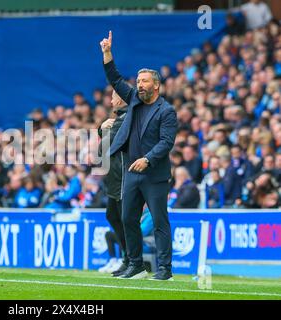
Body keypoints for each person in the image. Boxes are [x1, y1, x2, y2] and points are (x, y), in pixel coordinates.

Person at [100, 31, 178, 280]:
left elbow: (167, 142)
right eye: (138, 80)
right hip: (132, 172)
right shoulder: (133, 98)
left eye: (144, 81)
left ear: (156, 85)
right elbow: (114, 78)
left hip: (154, 173)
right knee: (127, 218)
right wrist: (107, 54)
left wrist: (148, 159)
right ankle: (135, 264)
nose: (139, 84)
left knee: (159, 221)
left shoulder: (167, 111)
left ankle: (165, 269)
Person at [98, 90, 128, 276]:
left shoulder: (125, 119)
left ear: (121, 99)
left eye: (112, 96)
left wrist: (103, 130)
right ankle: (129, 258)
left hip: (123, 178)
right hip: (114, 179)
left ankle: (132, 259)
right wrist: (102, 129)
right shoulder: (118, 119)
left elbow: (107, 147)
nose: (110, 100)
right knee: (113, 216)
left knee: (125, 220)